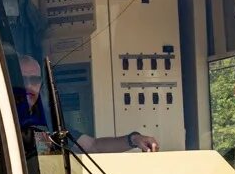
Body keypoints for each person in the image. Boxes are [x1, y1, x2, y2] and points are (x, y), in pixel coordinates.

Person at [11, 54, 158, 154]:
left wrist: (134, 139)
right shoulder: (1, 119)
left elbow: (93, 146)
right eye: (23, 80)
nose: (29, 86)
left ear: (41, 84)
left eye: (35, 80)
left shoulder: (49, 122)